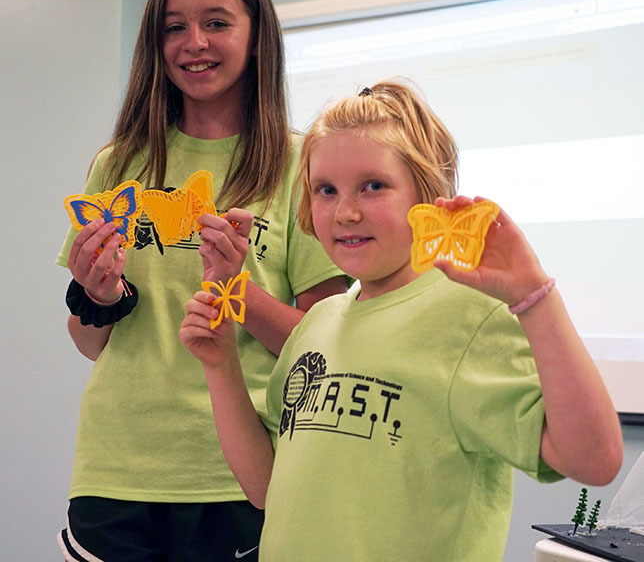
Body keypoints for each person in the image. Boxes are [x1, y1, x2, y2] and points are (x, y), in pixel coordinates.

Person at [179, 79, 623, 561]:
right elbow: (266, 487)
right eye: (325, 190)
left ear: (426, 195)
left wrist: (535, 299)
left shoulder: (468, 315)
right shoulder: (317, 323)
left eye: (373, 186)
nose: (345, 212)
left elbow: (595, 460)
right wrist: (221, 366)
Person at [56, 0, 346, 562]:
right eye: (174, 26)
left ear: (257, 36)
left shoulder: (305, 165)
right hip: (117, 468)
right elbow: (88, 341)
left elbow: (321, 348)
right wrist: (99, 296)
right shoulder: (117, 164)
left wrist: (236, 288)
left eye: (217, 22)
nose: (194, 42)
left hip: (243, 473)